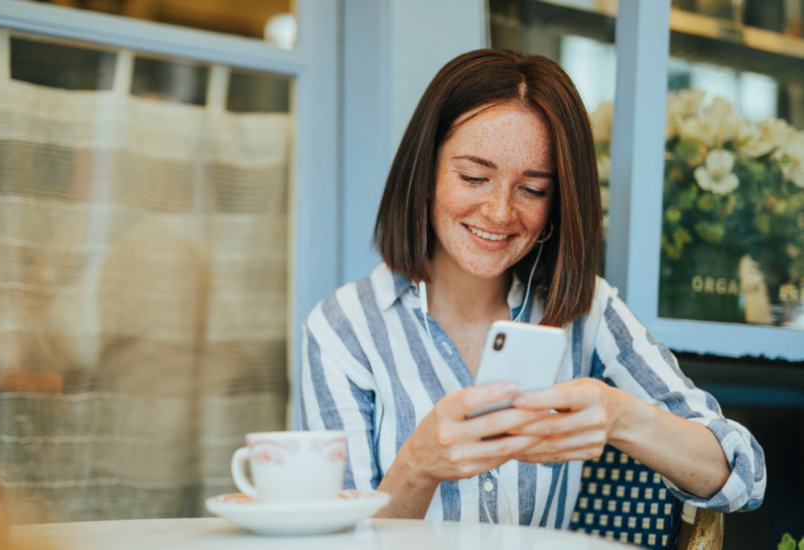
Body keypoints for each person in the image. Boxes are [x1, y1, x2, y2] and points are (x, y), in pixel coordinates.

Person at [300, 49, 765, 526]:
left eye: (533, 189)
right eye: (474, 177)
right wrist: (417, 466)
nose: (500, 212)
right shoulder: (344, 328)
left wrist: (620, 417)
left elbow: (742, 476)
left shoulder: (588, 310)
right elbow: (340, 538)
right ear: (426, 172)